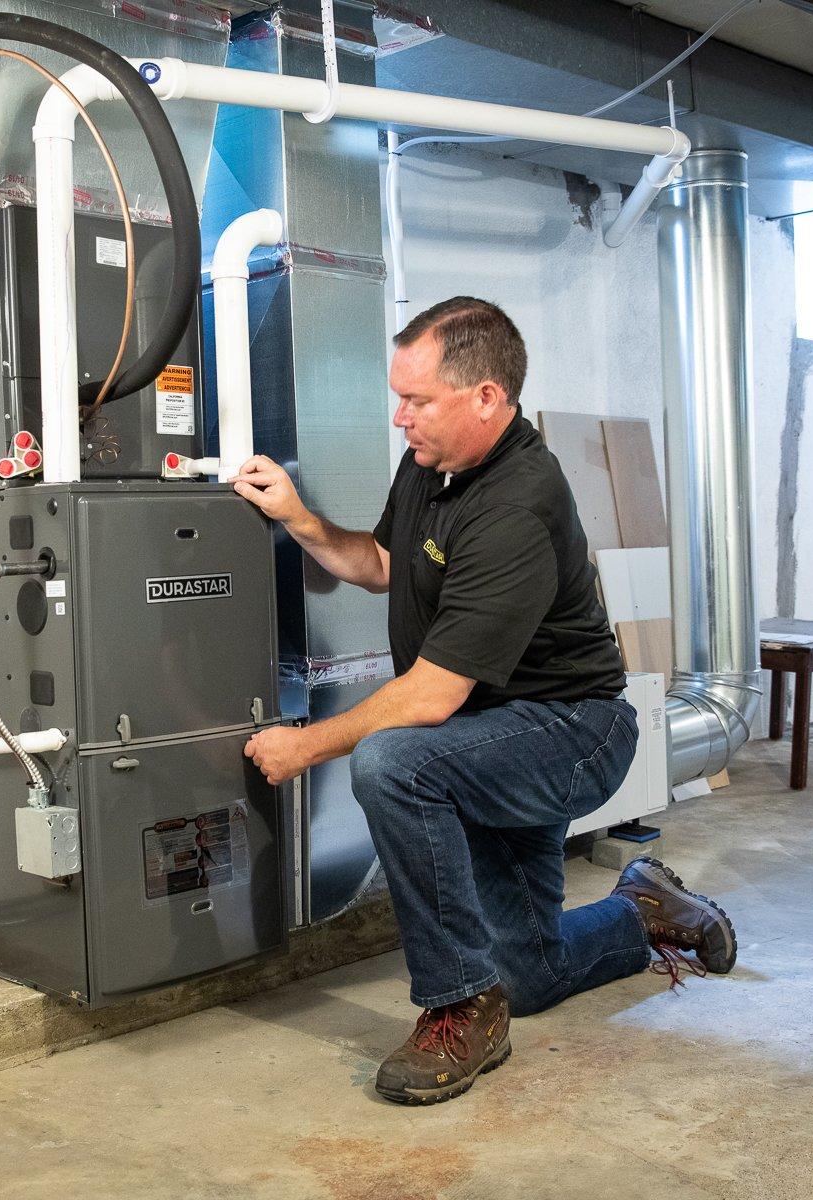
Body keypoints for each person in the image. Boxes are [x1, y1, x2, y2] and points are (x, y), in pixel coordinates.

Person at [236, 296, 737, 1106]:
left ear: (486, 398)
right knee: (531, 976)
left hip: (571, 735)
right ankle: (642, 908)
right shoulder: (433, 466)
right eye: (399, 398)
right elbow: (381, 563)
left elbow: (432, 696)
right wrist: (298, 518)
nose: (401, 417)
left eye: (418, 400)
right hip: (493, 739)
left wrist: (306, 744)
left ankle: (459, 1007)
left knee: (393, 763)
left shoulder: (517, 503)